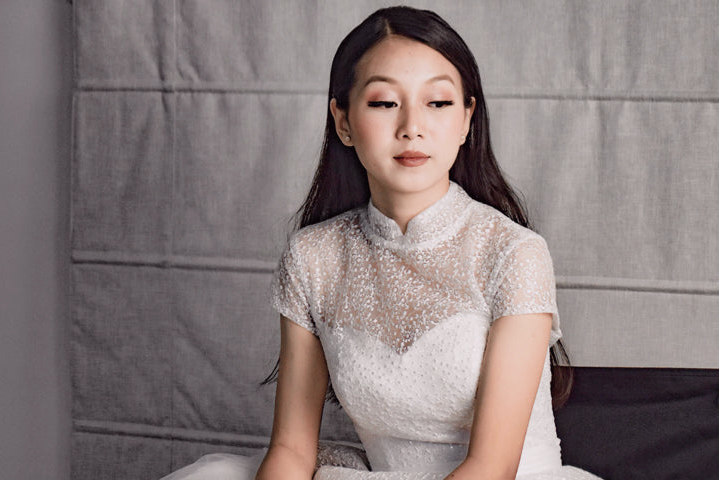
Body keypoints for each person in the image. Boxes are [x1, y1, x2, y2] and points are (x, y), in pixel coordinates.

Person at [161, 6, 602, 480]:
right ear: (343, 121)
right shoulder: (313, 259)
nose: (412, 126)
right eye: (383, 102)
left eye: (438, 103)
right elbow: (291, 449)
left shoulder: (513, 252)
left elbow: (491, 466)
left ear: (466, 120)